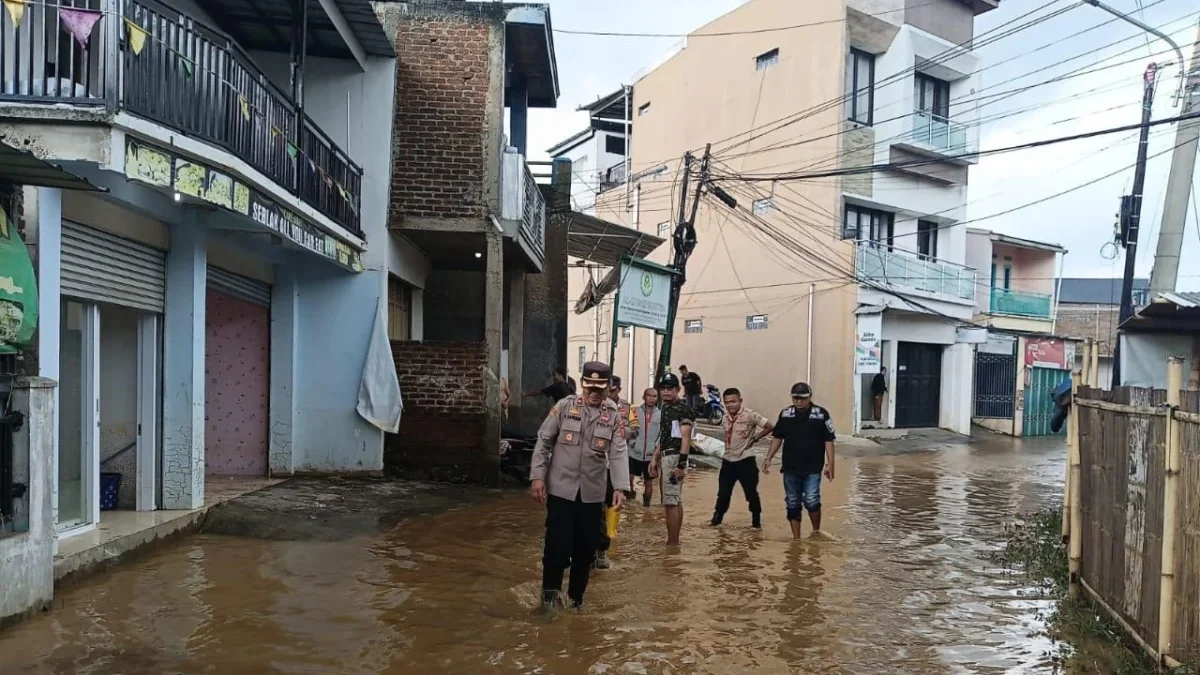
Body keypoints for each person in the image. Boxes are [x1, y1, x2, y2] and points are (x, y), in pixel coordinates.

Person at [530, 362, 629, 611]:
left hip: (592, 494)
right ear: (583, 383)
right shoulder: (565, 406)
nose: (594, 392)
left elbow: (618, 452)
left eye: (600, 388)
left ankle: (576, 600)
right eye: (590, 386)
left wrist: (619, 487)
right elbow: (544, 442)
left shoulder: (613, 415)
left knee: (585, 550)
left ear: (608, 388)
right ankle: (549, 599)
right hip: (561, 490)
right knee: (556, 545)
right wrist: (538, 477)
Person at [762, 382, 836, 539]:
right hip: (790, 467)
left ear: (810, 397)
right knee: (793, 502)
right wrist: (768, 458)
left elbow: (829, 440)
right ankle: (797, 540)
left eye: (803, 398)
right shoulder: (785, 414)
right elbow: (777, 437)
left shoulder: (821, 414)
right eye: (795, 398)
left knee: (811, 499)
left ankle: (816, 531)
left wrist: (831, 464)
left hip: (813, 468)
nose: (799, 401)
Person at [710, 388, 773, 529]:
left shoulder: (750, 415)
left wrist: (756, 437)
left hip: (746, 461)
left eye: (733, 401)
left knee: (751, 494)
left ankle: (756, 524)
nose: (730, 405)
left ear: (740, 401)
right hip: (728, 461)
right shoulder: (725, 418)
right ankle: (716, 521)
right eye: (727, 402)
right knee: (723, 494)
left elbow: (770, 426)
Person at [594, 376, 634, 570]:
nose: (608, 393)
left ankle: (606, 540)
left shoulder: (624, 407)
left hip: (613, 464)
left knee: (609, 504)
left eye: (611, 389)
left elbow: (633, 429)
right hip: (593, 468)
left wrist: (624, 431)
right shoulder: (584, 407)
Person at [652, 372, 694, 546]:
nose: (666, 392)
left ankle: (672, 543)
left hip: (675, 457)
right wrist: (655, 458)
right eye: (663, 388)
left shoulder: (682, 409)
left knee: (670, 502)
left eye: (670, 388)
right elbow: (666, 436)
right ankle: (674, 541)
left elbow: (686, 438)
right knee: (674, 500)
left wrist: (681, 465)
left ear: (677, 390)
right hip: (667, 455)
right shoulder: (667, 408)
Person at [627, 388, 661, 507]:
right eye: (649, 396)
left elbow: (661, 434)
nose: (652, 399)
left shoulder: (660, 415)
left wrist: (656, 449)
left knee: (649, 482)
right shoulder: (635, 411)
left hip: (650, 456)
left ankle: (647, 508)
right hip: (634, 452)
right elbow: (628, 428)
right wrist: (632, 442)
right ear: (644, 397)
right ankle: (630, 505)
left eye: (654, 396)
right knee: (628, 480)